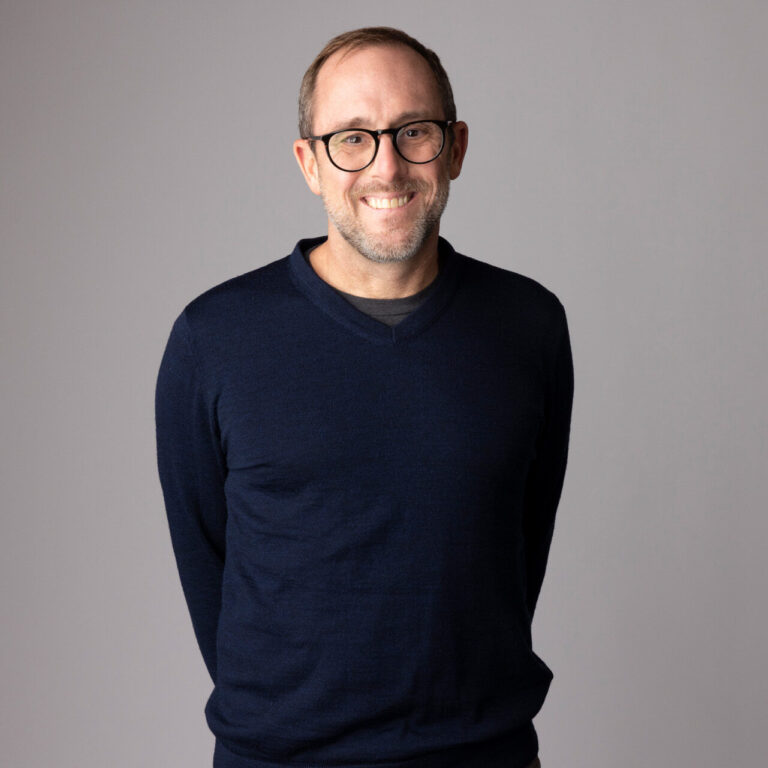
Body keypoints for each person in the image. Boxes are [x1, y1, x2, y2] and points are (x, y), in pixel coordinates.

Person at [155, 26, 572, 768]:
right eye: (352, 138)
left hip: (484, 753)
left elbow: (517, 550)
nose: (386, 166)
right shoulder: (214, 339)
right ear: (309, 163)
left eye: (414, 131)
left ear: (455, 148)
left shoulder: (528, 326)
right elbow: (205, 559)